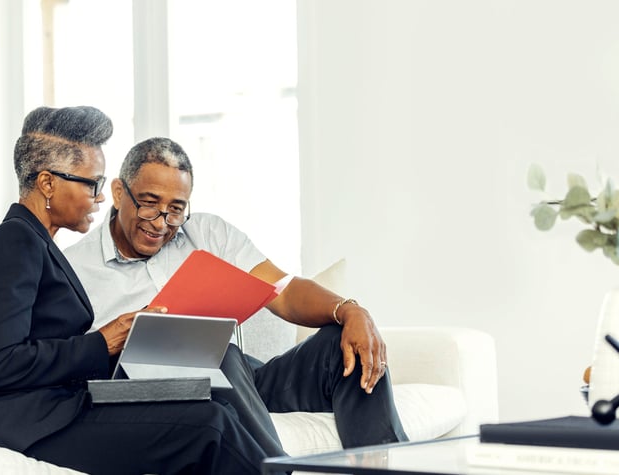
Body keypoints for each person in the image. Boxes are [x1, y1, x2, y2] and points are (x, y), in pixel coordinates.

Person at [0, 107, 280, 475]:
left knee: (213, 408)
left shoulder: (39, 244)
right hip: (24, 420)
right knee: (209, 427)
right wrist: (103, 342)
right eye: (92, 183)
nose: (102, 197)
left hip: (57, 406)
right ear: (47, 183)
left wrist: (130, 343)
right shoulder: (13, 241)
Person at [64, 137, 409, 455]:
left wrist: (350, 311)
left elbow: (285, 291)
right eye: (150, 204)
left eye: (176, 209)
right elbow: (70, 366)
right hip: (155, 397)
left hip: (236, 379)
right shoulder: (75, 269)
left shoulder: (209, 232)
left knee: (339, 344)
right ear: (120, 192)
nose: (161, 223)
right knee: (212, 353)